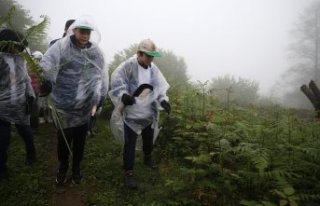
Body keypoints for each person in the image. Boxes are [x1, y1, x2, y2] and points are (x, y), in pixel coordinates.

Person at [40, 16, 108, 184]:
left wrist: (100, 97)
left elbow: (102, 75)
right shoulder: (61, 47)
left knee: (80, 140)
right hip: (63, 103)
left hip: (84, 105)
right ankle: (63, 166)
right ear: (74, 31)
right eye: (81, 32)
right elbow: (48, 62)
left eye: (88, 33)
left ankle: (76, 168)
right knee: (64, 139)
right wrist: (48, 80)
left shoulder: (96, 52)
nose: (85, 36)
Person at [109, 39, 171, 189]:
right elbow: (118, 82)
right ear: (139, 53)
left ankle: (148, 157)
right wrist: (124, 95)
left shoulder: (153, 69)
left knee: (148, 140)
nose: (151, 59)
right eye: (148, 56)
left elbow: (159, 88)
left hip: (148, 114)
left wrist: (163, 100)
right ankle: (128, 172)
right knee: (129, 144)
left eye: (153, 56)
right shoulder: (128, 66)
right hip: (131, 115)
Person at [0, 28, 37, 180]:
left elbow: (26, 79)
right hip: (2, 108)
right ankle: (1, 168)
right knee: (3, 138)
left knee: (27, 133)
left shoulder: (20, 59)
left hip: (21, 104)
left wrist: (30, 96)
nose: (19, 49)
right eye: (17, 46)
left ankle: (31, 155)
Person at [28, 51, 43, 129]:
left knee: (36, 108)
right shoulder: (28, 67)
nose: (36, 61)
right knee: (32, 107)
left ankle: (34, 125)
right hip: (30, 91)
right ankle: (31, 125)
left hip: (37, 91)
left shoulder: (40, 68)